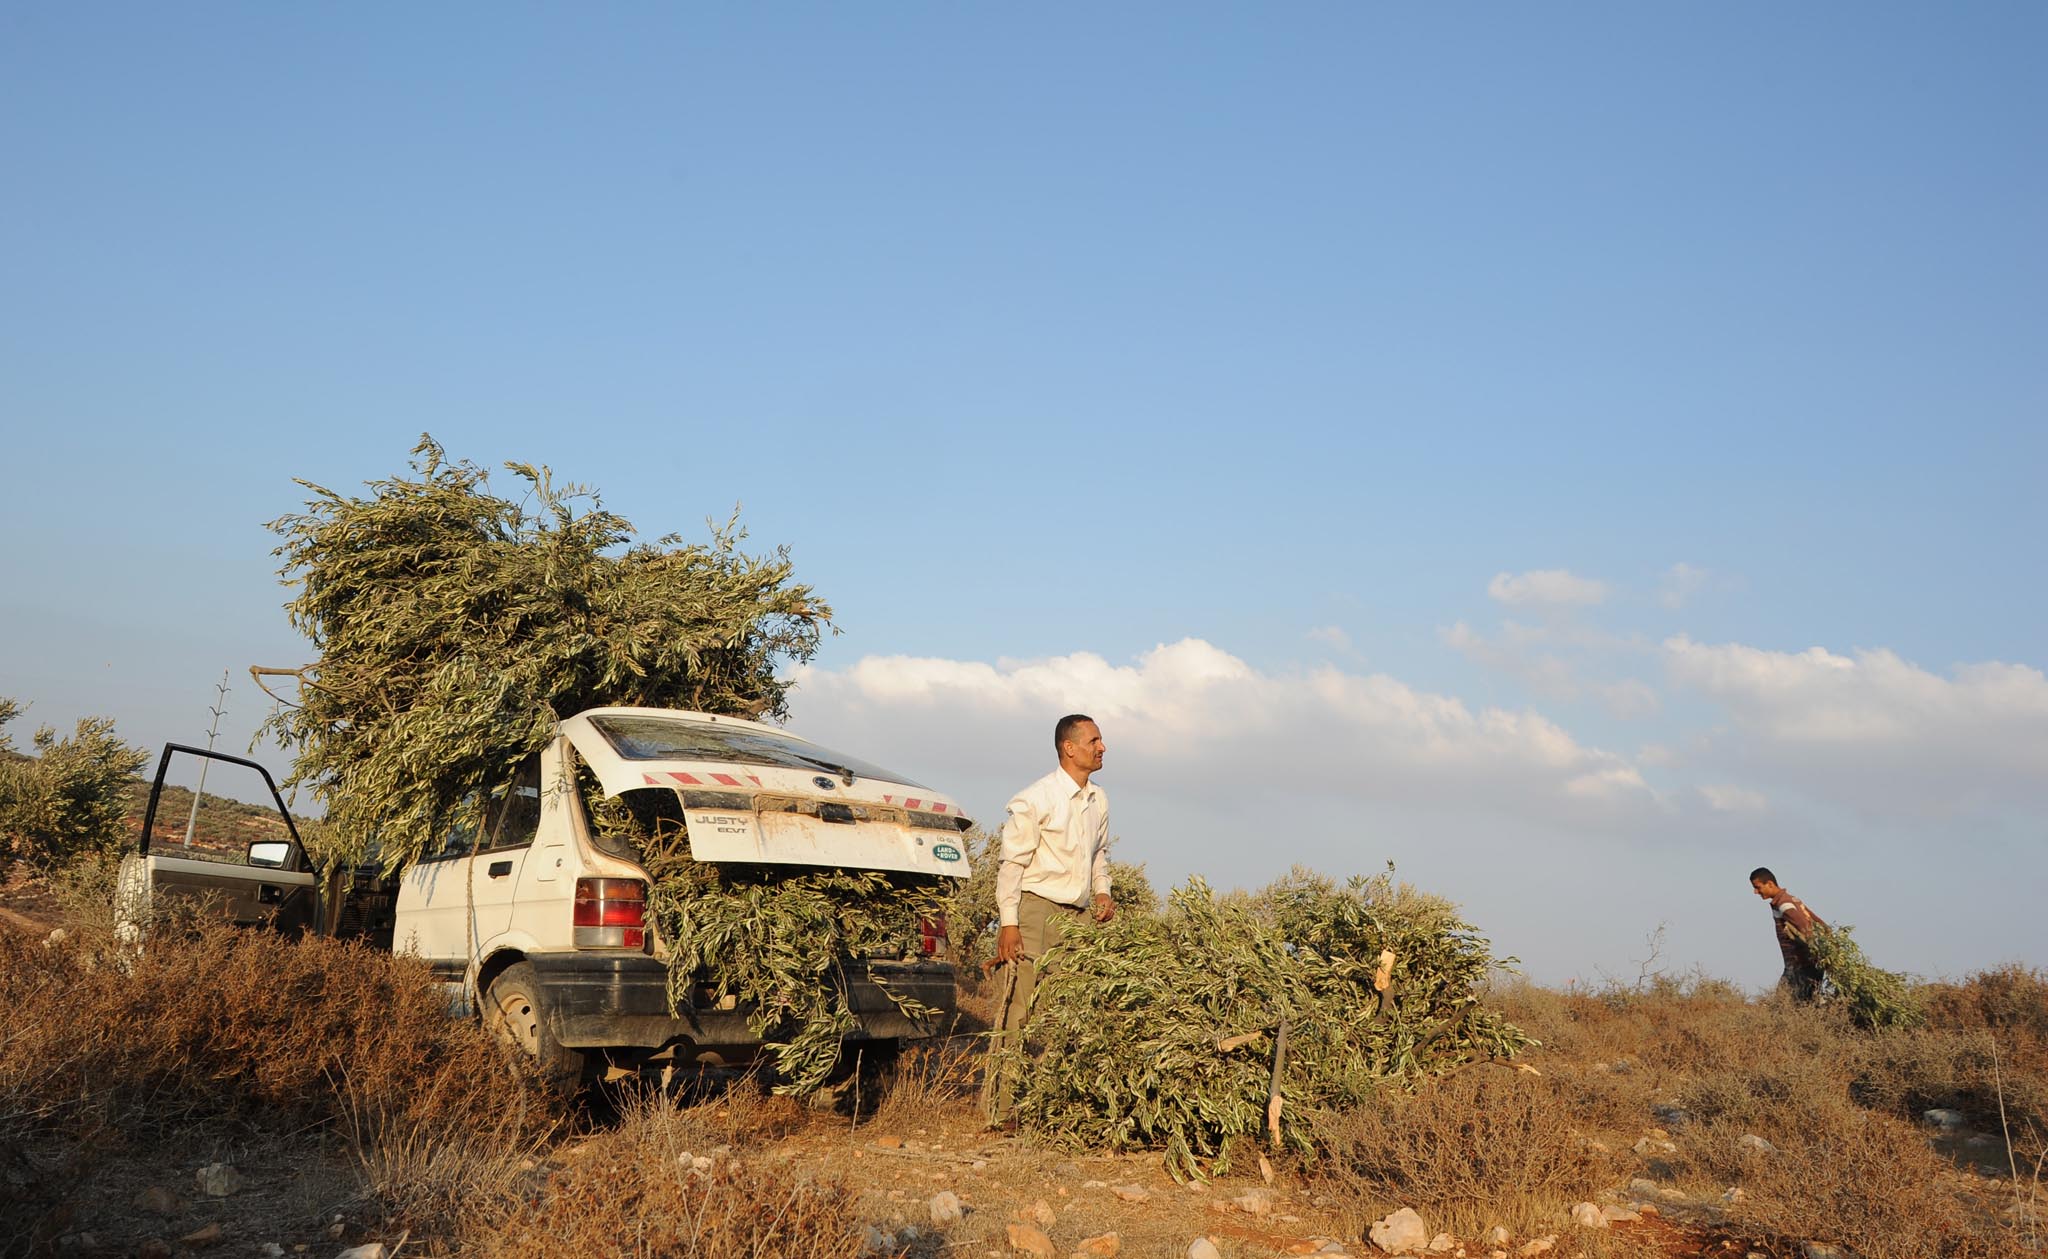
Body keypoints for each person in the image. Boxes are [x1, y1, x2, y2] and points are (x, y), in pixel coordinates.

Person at [981, 713, 1114, 1127]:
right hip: (1034, 911)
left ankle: (1054, 1108)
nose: (1102, 747)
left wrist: (1103, 890)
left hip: (1077, 921)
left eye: (1101, 740)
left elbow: (1098, 855)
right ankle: (999, 1113)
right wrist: (1009, 923)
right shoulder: (1034, 799)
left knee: (1071, 1012)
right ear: (1069, 748)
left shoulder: (1099, 800)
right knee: (1016, 1010)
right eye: (1094, 740)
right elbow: (1011, 865)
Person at [1749, 867, 1826, 1002]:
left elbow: (1806, 927)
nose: (1756, 892)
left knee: (1783, 1005)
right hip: (1807, 964)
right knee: (1805, 1006)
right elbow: (1819, 924)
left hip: (1801, 966)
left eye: (1758, 887)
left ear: (1770, 884)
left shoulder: (1783, 904)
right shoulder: (1791, 900)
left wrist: (1811, 956)